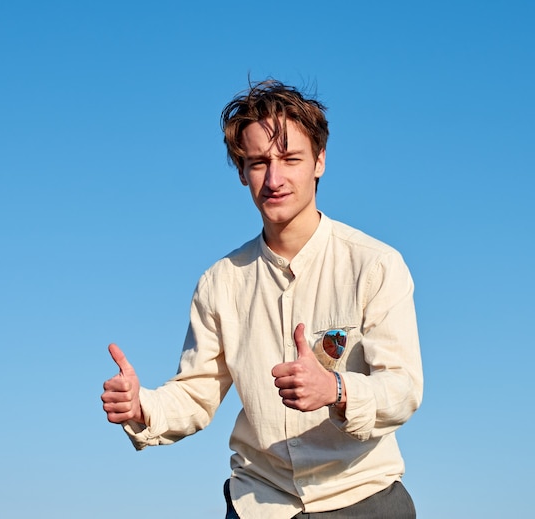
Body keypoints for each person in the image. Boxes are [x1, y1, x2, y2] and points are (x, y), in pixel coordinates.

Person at [101, 79, 423, 518]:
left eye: (290, 158)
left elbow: (403, 388)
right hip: (259, 501)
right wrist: (141, 406)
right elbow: (196, 394)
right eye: (258, 163)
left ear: (319, 161)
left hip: (363, 498)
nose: (274, 178)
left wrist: (336, 388)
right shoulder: (219, 283)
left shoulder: (376, 265)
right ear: (241, 172)